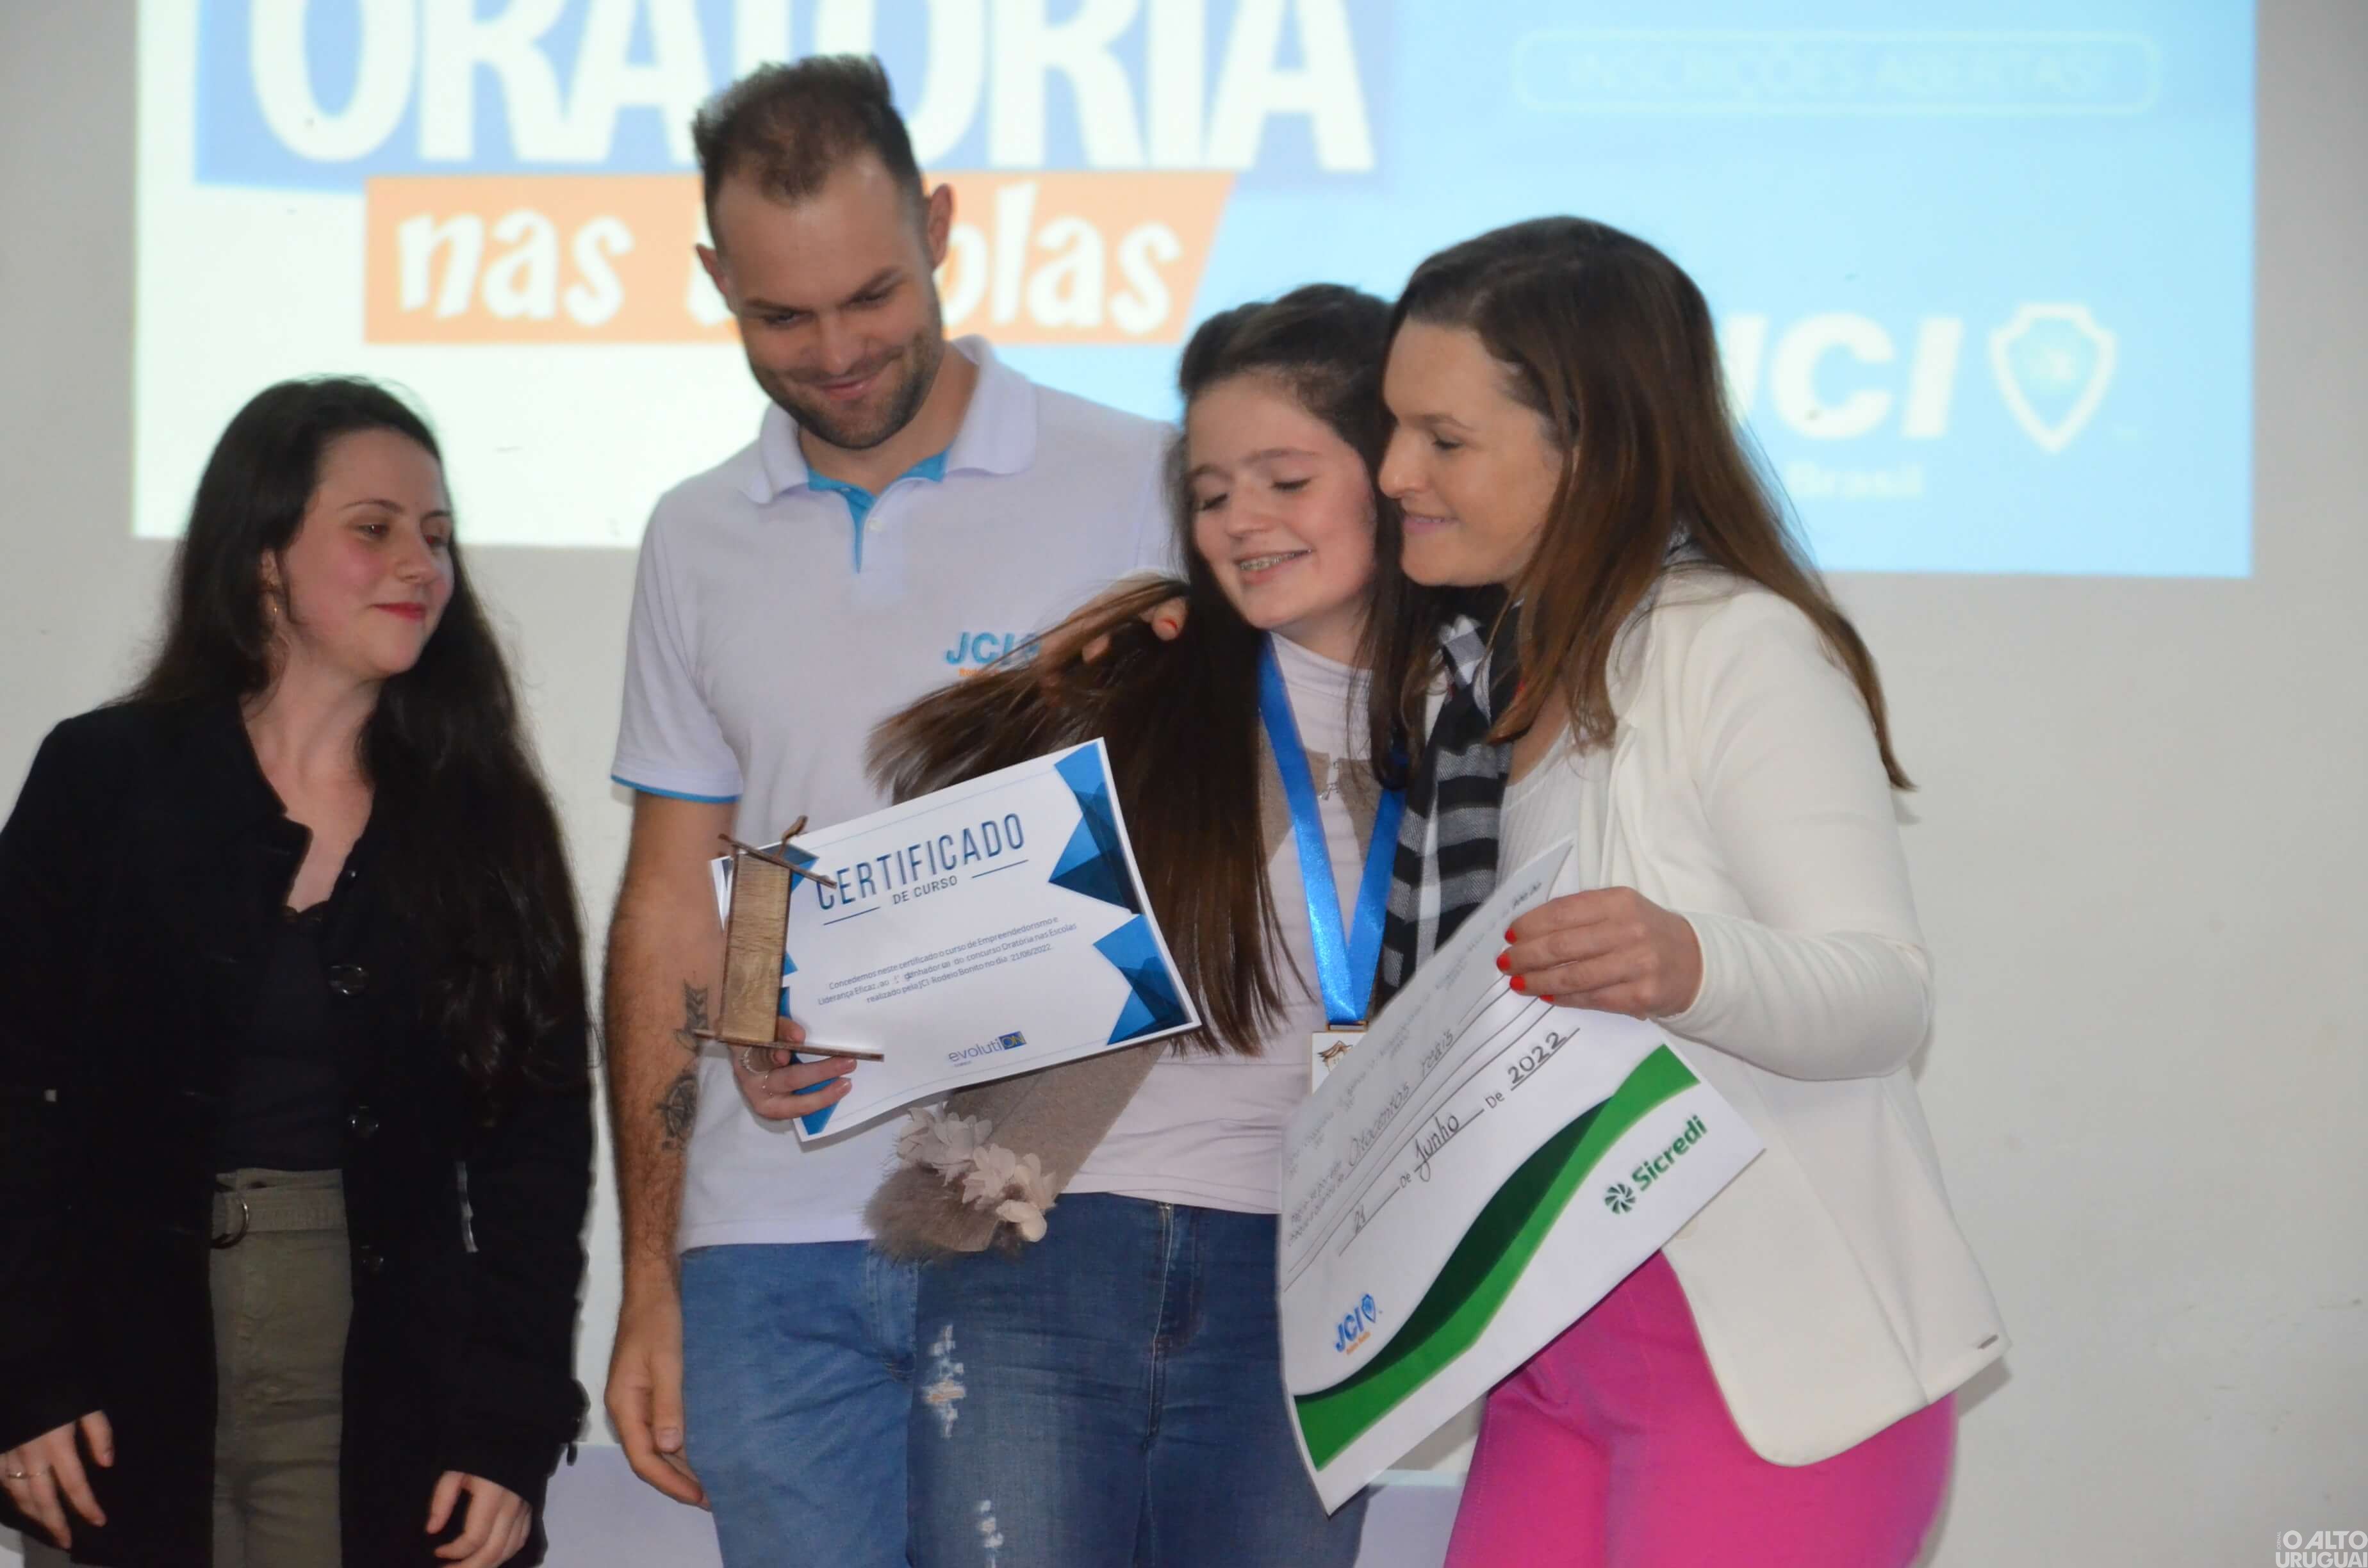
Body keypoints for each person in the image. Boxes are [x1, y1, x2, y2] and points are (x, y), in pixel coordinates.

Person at [1362, 218, 2006, 1567]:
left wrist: (1691, 964)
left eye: (1443, 438)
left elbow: (1887, 996)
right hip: (1550, 1367)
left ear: (1584, 440)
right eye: (1392, 429)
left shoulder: (1738, 650)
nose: (1392, 472)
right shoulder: (1463, 685)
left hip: (1774, 1386)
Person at [601, 56, 1171, 1565]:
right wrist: (650, 1275)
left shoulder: (1143, 481)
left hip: (1041, 1212)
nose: (839, 352)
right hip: (761, 1249)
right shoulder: (695, 534)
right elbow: (685, 896)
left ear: (939, 226)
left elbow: (1204, 858)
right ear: (715, 277)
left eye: (872, 296)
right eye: (780, 316)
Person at [743, 284, 1391, 1565]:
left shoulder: (1480, 732)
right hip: (1041, 1258)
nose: (1242, 523)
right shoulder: (1135, 673)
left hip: (1310, 1295)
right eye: (1212, 494)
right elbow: (886, 902)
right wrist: (789, 1017)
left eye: (1284, 479)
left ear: (1397, 473)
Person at [0, 377, 594, 1568]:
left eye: (437, 537)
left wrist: (508, 1423)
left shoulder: (483, 818)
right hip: (124, 1357)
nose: (419, 565)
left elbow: (538, 1152)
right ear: (264, 556)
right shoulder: (103, 778)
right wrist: (26, 1370)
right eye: (372, 529)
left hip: (378, 1367)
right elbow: (12, 1091)